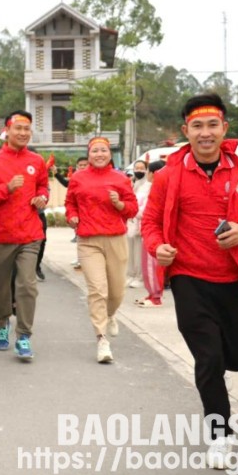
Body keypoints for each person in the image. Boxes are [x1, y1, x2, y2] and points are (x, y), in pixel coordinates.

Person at [142, 93, 238, 470]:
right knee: (208, 357)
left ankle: (223, 373)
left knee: (236, 357)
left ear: (224, 129)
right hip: (190, 279)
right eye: (197, 126)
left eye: (212, 125)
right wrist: (159, 248)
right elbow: (150, 223)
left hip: (235, 280)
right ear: (185, 131)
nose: (205, 133)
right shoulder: (169, 176)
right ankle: (219, 433)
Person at [0, 111, 49, 360]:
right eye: (18, 128)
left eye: (27, 129)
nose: (23, 133)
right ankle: (1, 325)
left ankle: (24, 336)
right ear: (6, 130)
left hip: (30, 234)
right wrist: (6, 189)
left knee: (27, 285)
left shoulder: (37, 161)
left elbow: (43, 186)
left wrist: (43, 198)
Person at [65, 137, 138, 363]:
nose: (99, 154)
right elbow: (70, 203)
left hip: (115, 239)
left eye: (103, 150)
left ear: (109, 154)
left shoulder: (121, 179)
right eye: (95, 150)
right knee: (97, 290)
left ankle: (110, 314)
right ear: (89, 154)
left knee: (116, 292)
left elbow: (133, 209)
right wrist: (72, 216)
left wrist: (118, 204)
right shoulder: (77, 178)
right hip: (88, 240)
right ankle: (101, 339)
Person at [135, 160, 167, 308]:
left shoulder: (159, 189)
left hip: (153, 233)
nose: (146, 174)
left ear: (155, 173)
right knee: (146, 265)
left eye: (148, 171)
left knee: (151, 265)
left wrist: (134, 211)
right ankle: (151, 293)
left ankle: (156, 296)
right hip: (145, 230)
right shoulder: (148, 187)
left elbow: (148, 211)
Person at [125, 160, 149, 288]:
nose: (139, 170)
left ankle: (140, 277)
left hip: (140, 221)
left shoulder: (148, 186)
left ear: (146, 170)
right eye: (136, 168)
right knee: (130, 250)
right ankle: (131, 274)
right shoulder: (131, 184)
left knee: (139, 251)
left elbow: (146, 206)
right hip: (130, 221)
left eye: (142, 168)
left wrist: (135, 212)